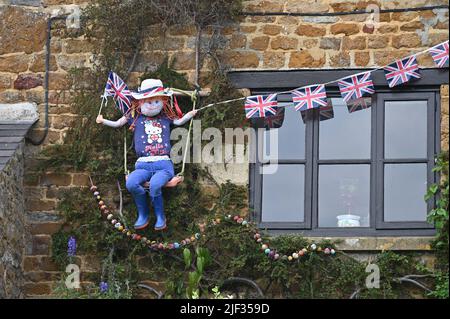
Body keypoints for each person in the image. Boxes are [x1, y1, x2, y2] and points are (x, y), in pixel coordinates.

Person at [96, 79, 197, 231]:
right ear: (139, 102)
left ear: (163, 101)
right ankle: (143, 214)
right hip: (142, 164)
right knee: (131, 183)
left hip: (163, 165)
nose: (153, 105)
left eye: (157, 101)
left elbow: (179, 121)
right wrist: (103, 121)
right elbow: (118, 123)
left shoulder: (165, 117)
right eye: (148, 102)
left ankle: (160, 216)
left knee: (156, 184)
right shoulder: (134, 117)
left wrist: (190, 114)